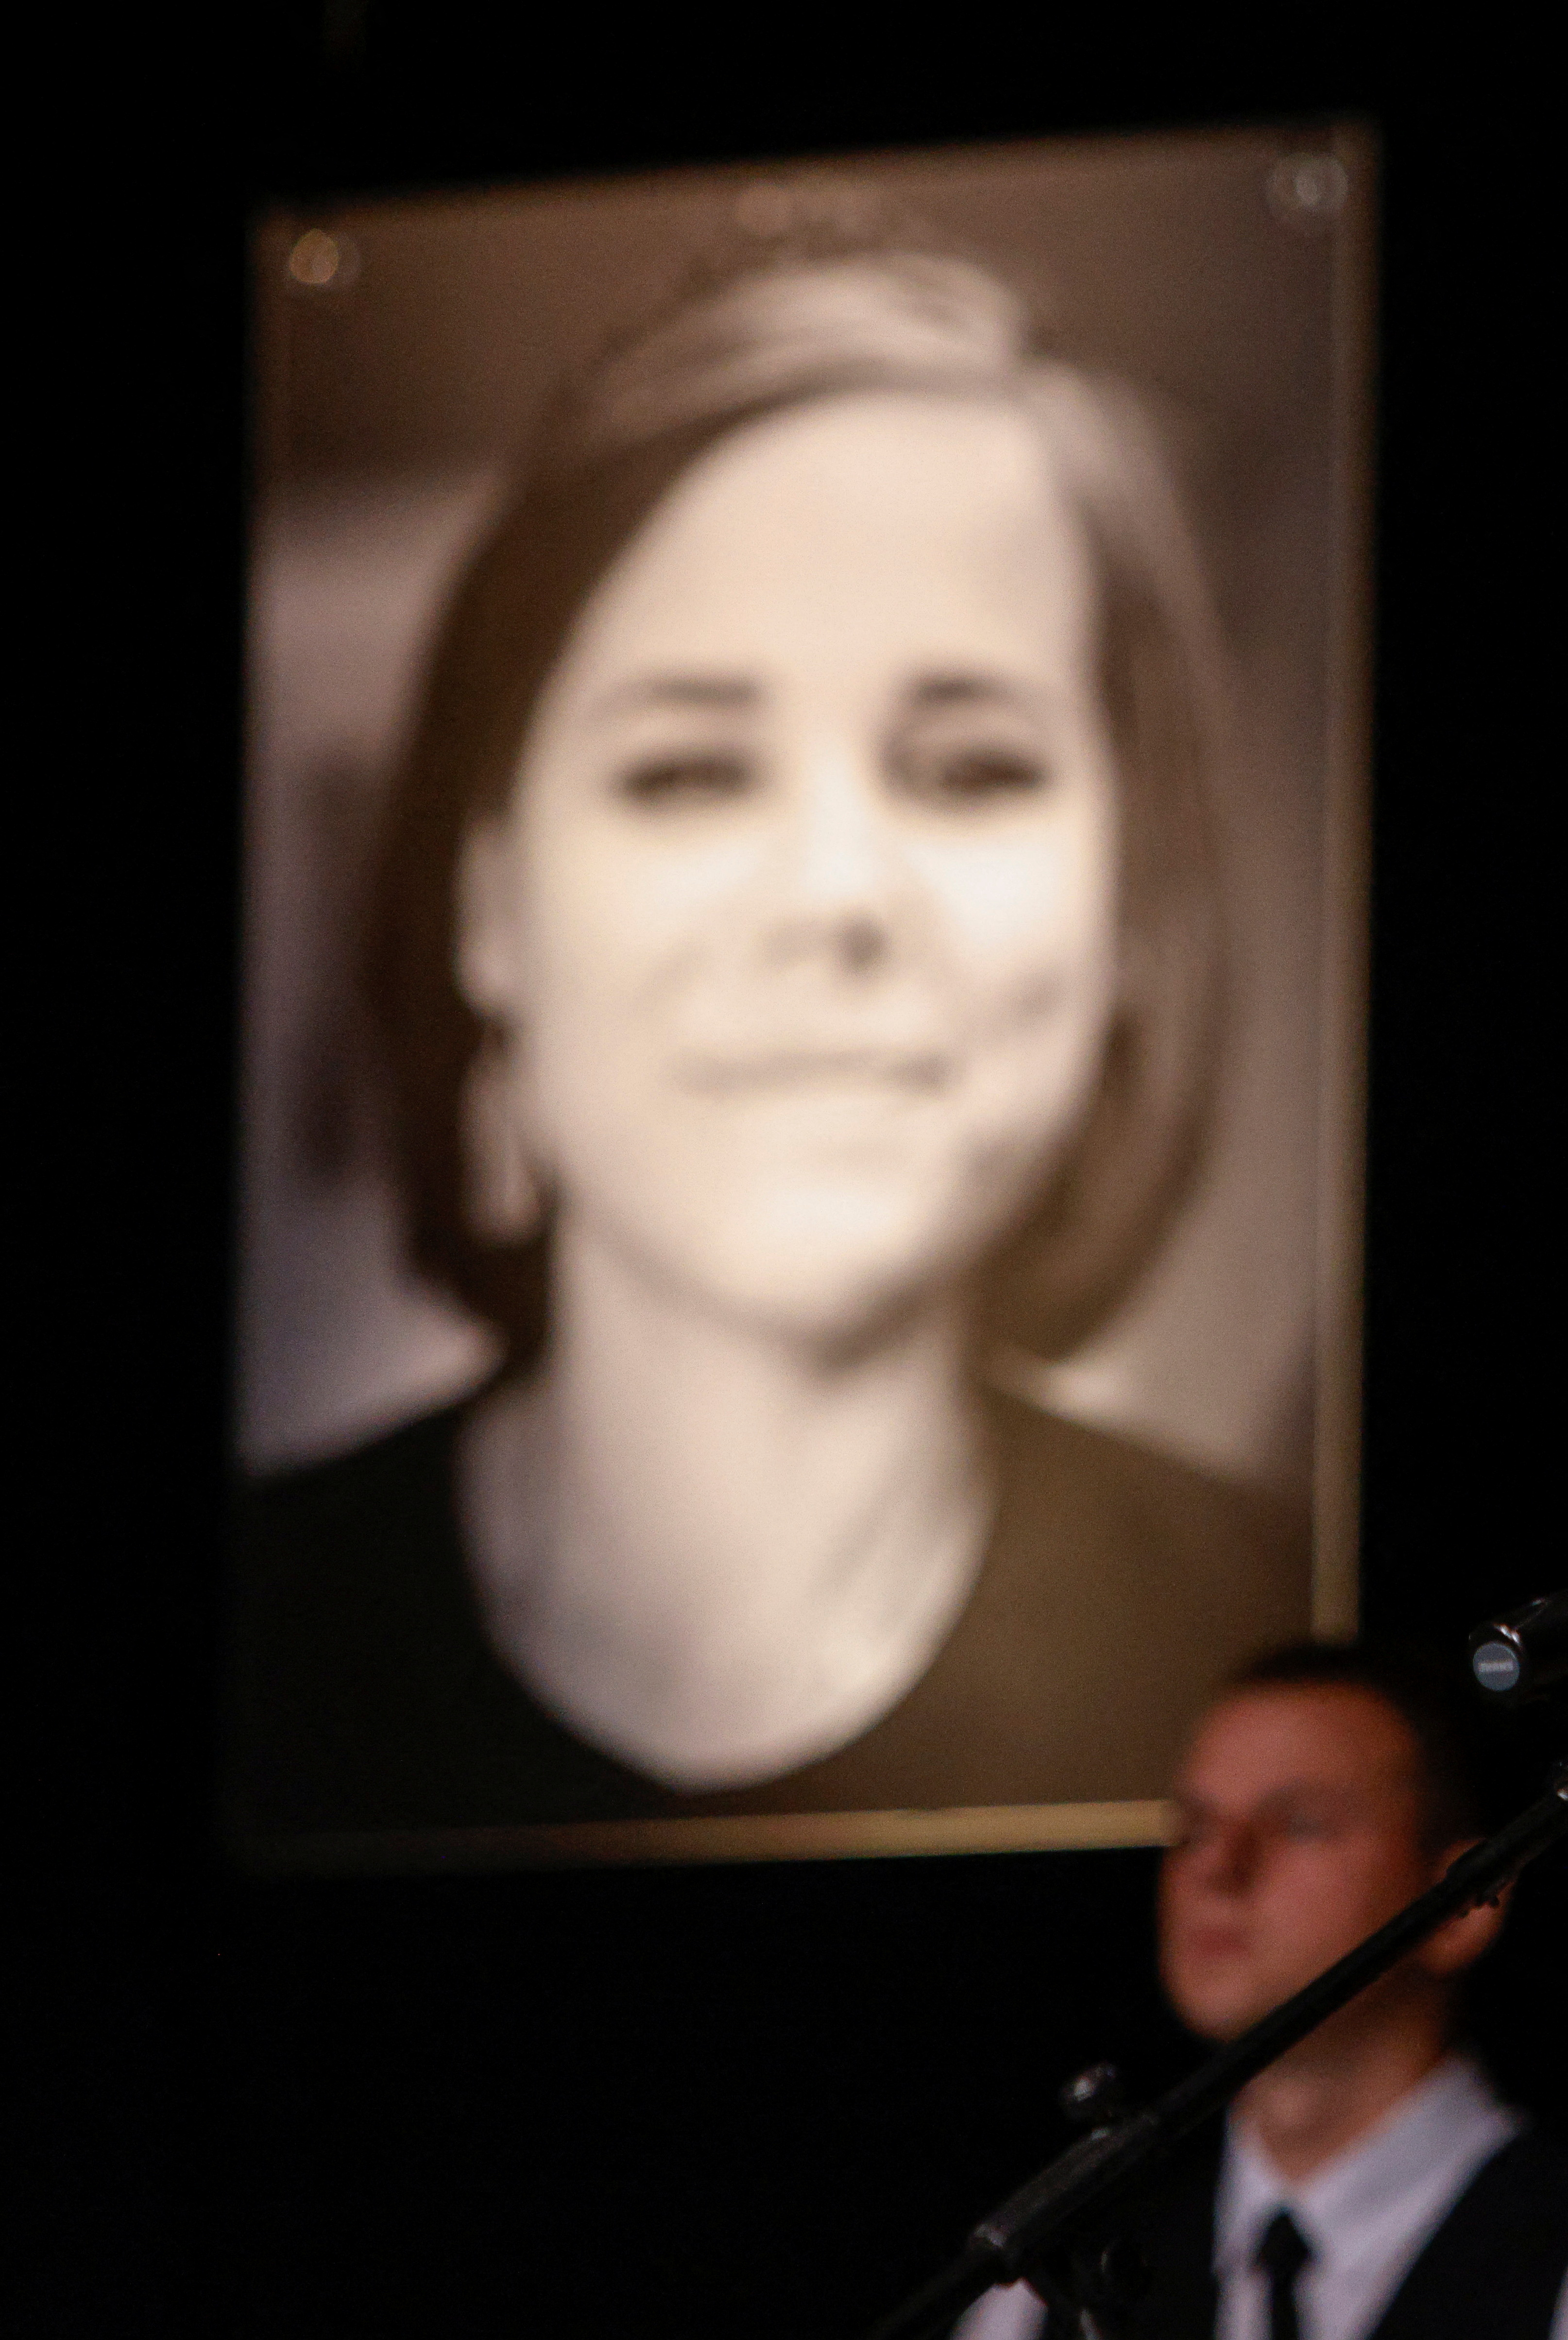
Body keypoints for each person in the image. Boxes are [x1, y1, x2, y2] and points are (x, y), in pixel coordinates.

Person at [230, 226, 1306, 1844]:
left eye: (968, 768)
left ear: (1132, 911)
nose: (833, 895)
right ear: (489, 897)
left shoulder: (1295, 1627)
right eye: (688, 771)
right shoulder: (246, 1633)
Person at [957, 1645, 1568, 2340]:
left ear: (1464, 1904)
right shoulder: (1044, 2295)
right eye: (1193, 1827)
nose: (1217, 1868)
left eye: (1301, 1822)